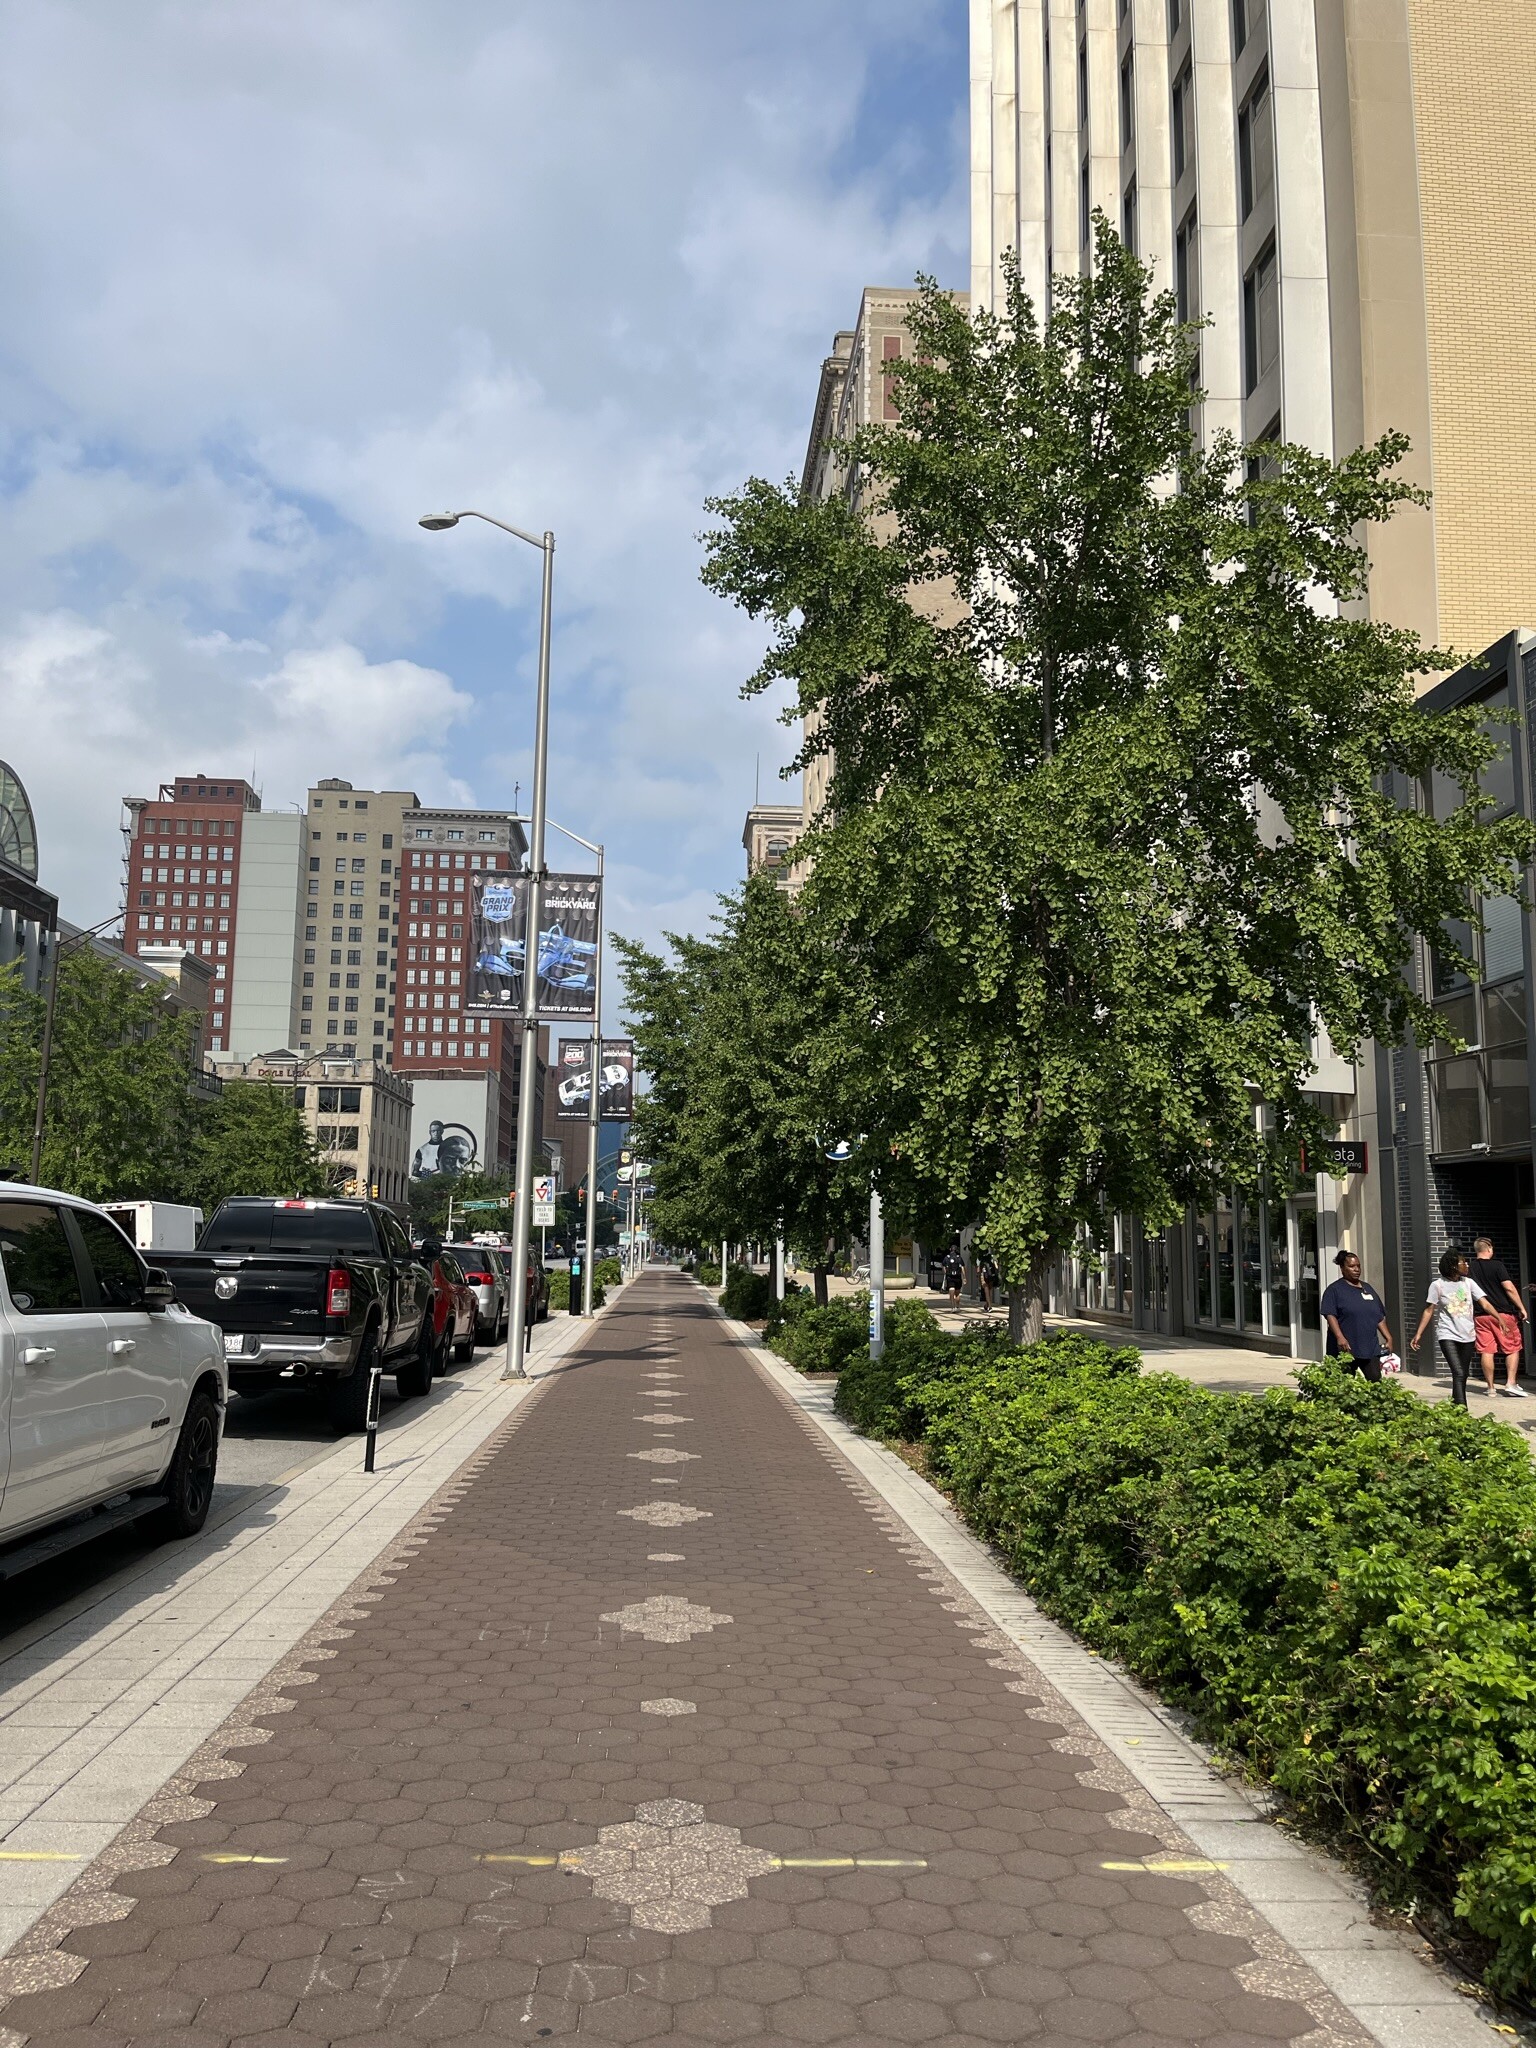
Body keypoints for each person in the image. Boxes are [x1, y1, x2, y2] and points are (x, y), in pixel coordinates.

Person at [1409, 1246, 1489, 1408]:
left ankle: (1455, 1407)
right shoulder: (1437, 1285)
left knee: (1462, 1374)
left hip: (1468, 1334)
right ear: (1453, 1266)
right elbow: (1428, 1310)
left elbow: (1485, 1303)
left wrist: (1499, 1318)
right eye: (1463, 1262)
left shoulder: (1469, 1283)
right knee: (1458, 1372)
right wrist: (1418, 1334)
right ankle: (1462, 1410)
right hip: (1447, 1334)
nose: (1467, 1265)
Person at [1468, 1235, 1528, 1398]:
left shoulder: (1470, 1268)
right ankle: (1510, 1383)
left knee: (1487, 1350)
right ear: (1489, 1249)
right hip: (1502, 1313)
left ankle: (1490, 1388)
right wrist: (1521, 1307)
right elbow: (1508, 1288)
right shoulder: (1497, 1266)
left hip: (1481, 1315)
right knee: (1512, 1348)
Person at [1319, 1250, 1394, 1382]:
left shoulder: (1368, 1288)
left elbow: (1378, 1316)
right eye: (1352, 1266)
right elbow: (1330, 1315)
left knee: (1375, 1381)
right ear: (1342, 1268)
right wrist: (1340, 1337)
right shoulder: (1334, 1290)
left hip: (1369, 1347)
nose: (1356, 1269)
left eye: (1358, 1266)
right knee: (1343, 1384)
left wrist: (1388, 1337)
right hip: (1346, 1348)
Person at [943, 1243, 966, 1309]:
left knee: (951, 1291)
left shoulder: (947, 1258)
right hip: (958, 1277)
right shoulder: (959, 1258)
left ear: (950, 1249)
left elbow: (944, 1267)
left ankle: (953, 1307)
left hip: (950, 1277)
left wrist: (945, 1274)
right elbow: (962, 1268)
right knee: (957, 1293)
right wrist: (964, 1277)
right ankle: (957, 1306)